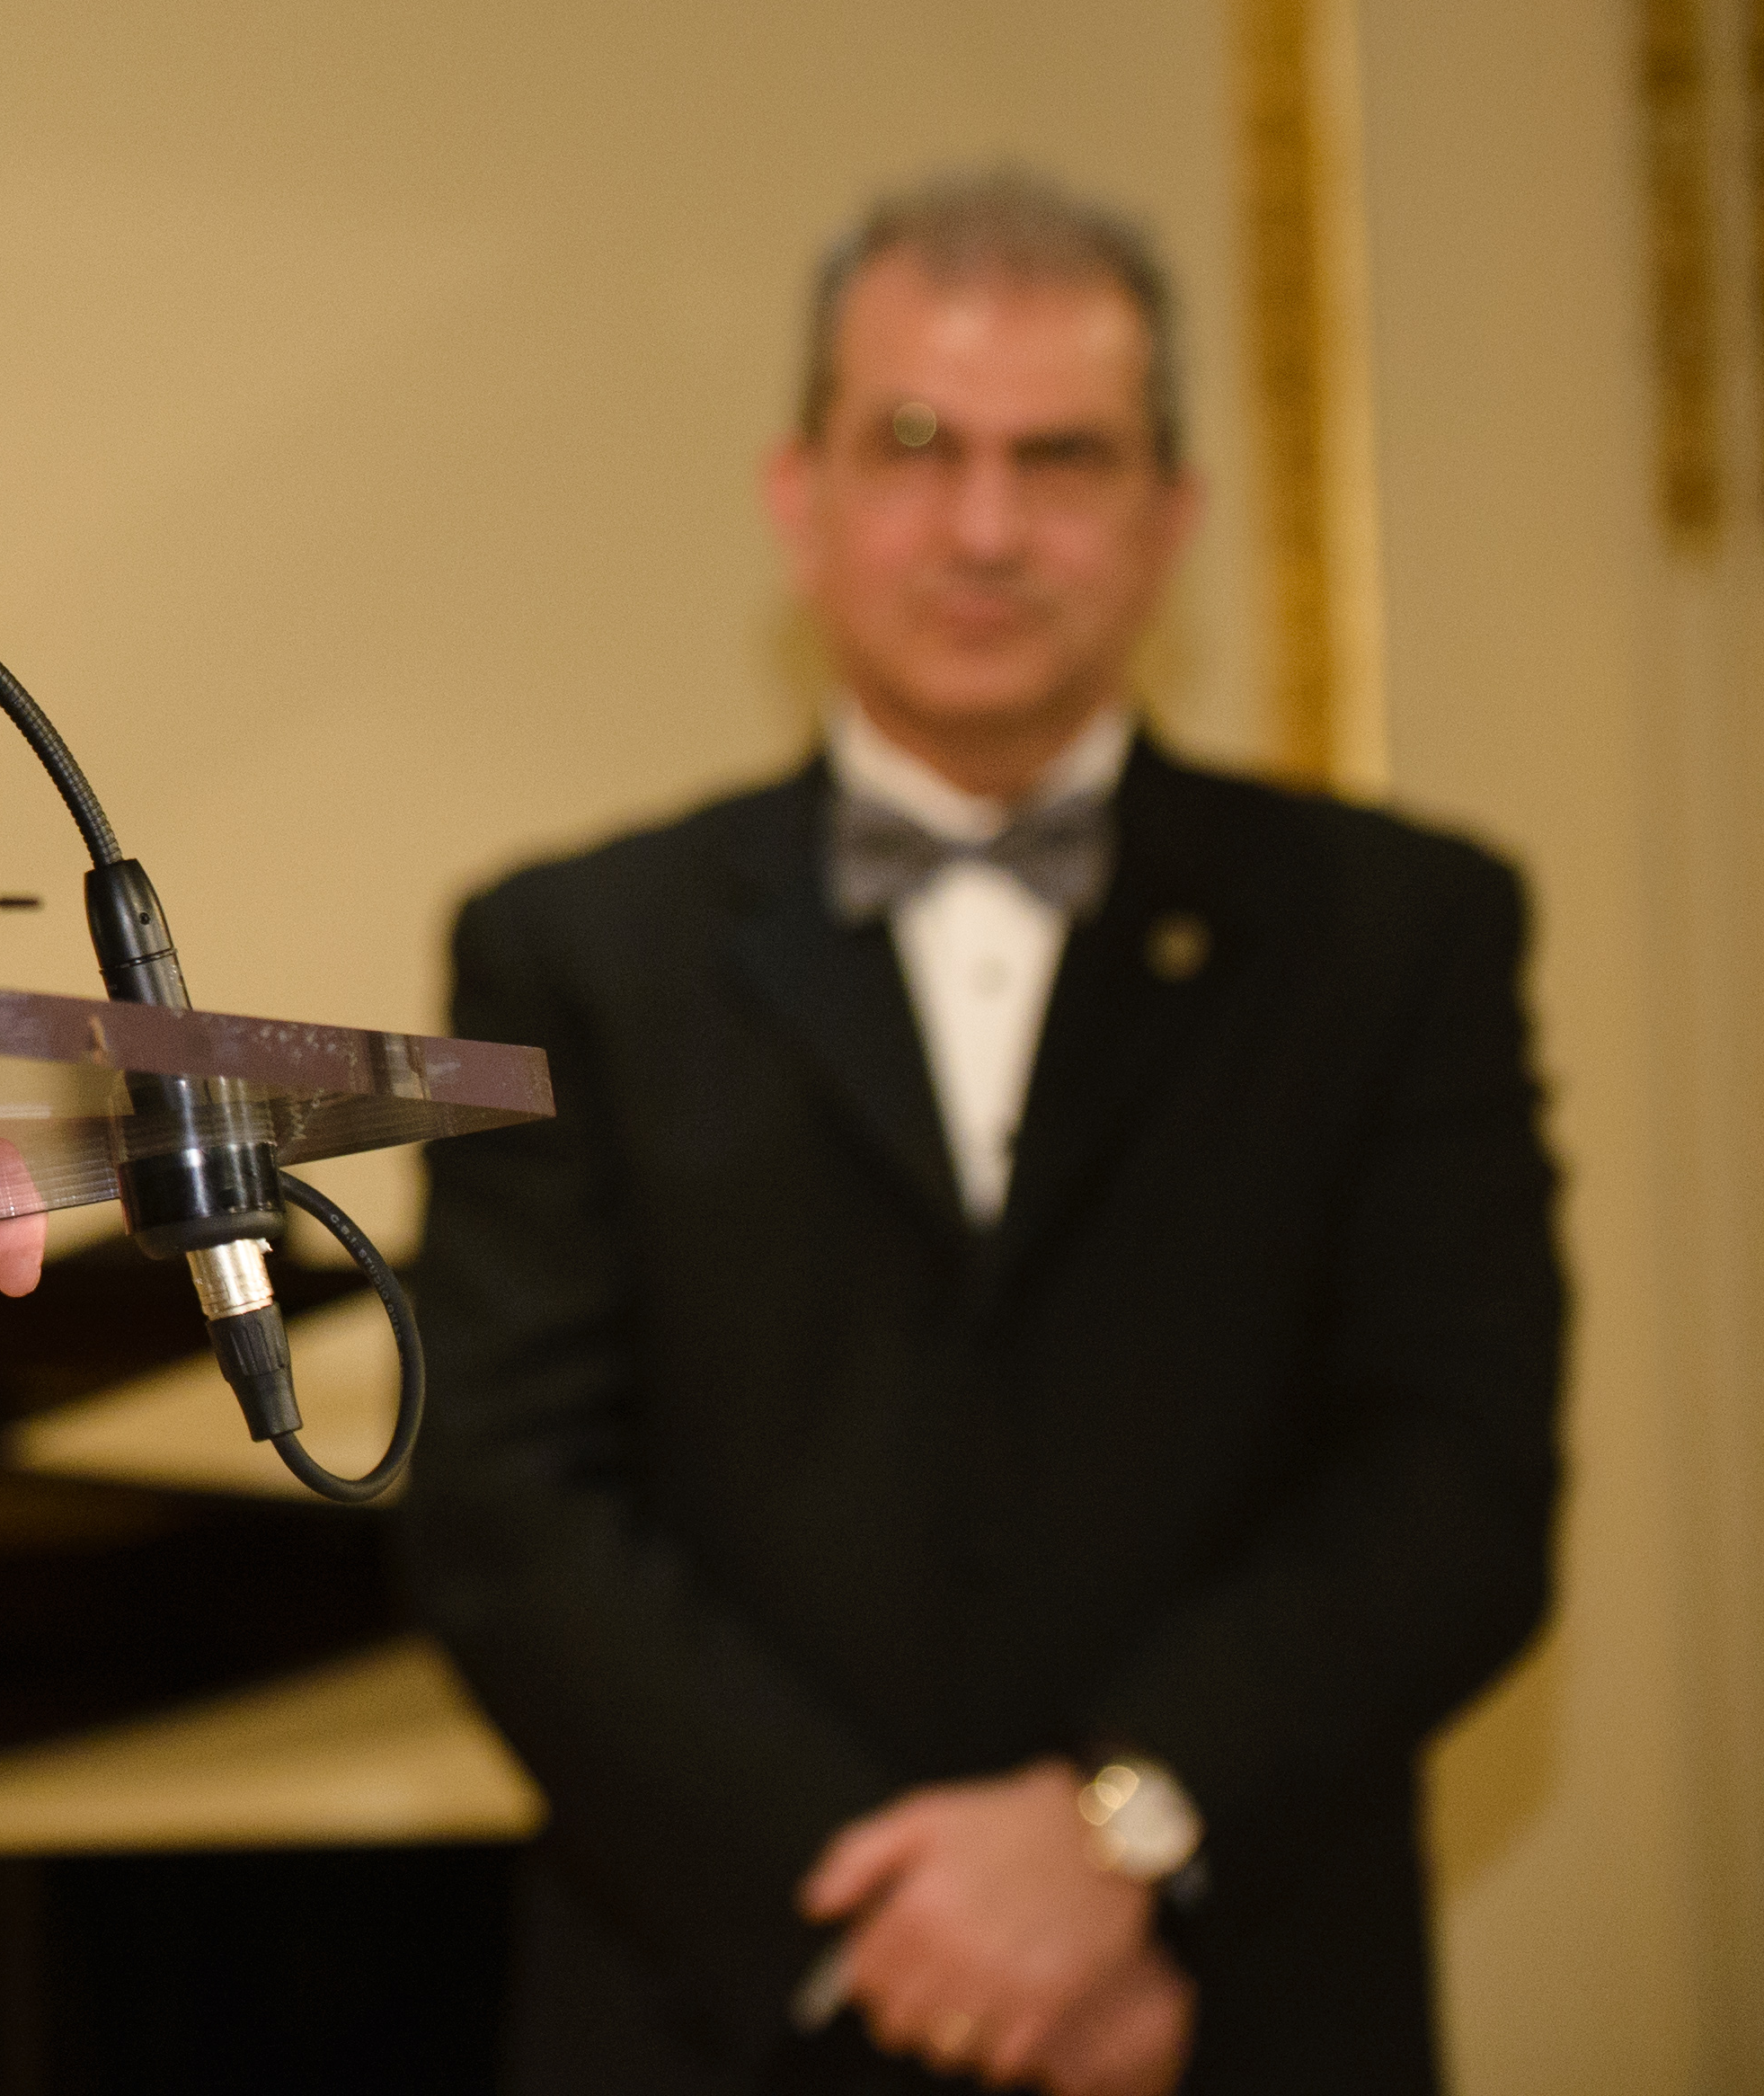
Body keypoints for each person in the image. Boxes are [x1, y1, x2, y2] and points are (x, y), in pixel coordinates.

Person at [405, 171, 1562, 2095]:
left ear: (1169, 515)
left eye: (1064, 457)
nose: (984, 525)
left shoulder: (1399, 934)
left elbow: (1455, 1484)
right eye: (915, 445)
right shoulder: (567, 950)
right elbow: (507, 1515)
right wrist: (906, 1930)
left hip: (1236, 2013)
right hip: (717, 2025)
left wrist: (1118, 1839)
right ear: (800, 495)